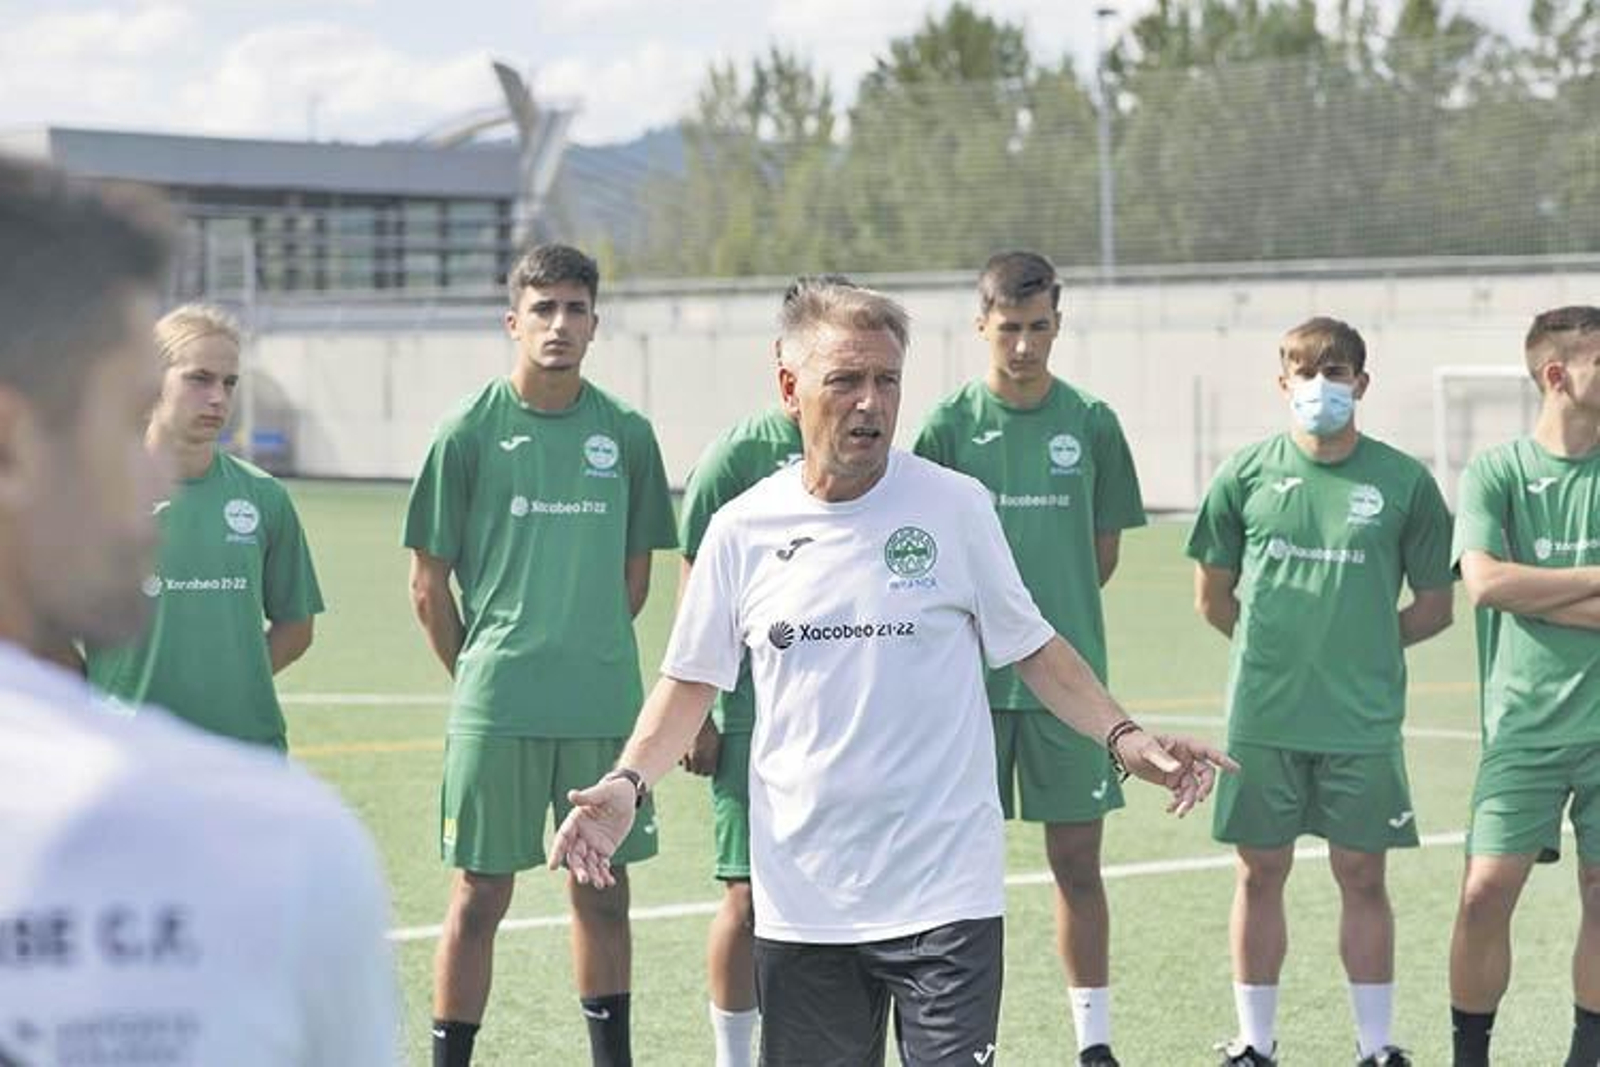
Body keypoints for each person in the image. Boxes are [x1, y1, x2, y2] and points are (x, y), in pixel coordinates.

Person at [552, 280, 1233, 1067]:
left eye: (887, 379)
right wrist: (627, 783)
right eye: (845, 380)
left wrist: (1125, 735)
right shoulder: (740, 529)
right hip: (805, 904)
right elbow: (688, 682)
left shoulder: (956, 507)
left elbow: (1034, 645)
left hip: (947, 896)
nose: (870, 403)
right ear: (790, 387)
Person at [0, 156, 398, 1064]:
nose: (151, 471)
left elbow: (293, 624)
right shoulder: (282, 848)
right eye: (126, 414)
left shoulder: (273, 835)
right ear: (15, 445)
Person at [405, 243, 677, 1067]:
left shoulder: (627, 434)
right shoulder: (467, 431)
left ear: (596, 323)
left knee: (602, 885)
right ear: (513, 320)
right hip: (499, 703)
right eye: (544, 308)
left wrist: (579, 643)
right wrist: (486, 671)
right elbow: (427, 586)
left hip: (600, 702)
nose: (559, 323)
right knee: (480, 891)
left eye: (575, 308)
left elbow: (634, 582)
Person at [1187, 317, 1454, 1067]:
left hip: (1362, 722)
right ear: (1282, 384)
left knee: (1364, 875)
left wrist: (1358, 645)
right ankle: (1254, 1043)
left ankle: (1376, 1047)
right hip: (1263, 716)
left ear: (1361, 385)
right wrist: (1282, 653)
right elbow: (1213, 597)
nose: (1319, 387)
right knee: (1258, 870)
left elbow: (1435, 606)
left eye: (1335, 374)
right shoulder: (1244, 474)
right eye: (1304, 373)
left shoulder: (1404, 481)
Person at [914, 251, 1146, 1067]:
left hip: (1065, 687)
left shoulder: (1091, 423)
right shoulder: (944, 427)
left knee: (1077, 861)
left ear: (1058, 322)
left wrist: (1049, 618)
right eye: (1007, 328)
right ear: (981, 326)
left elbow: (1102, 551)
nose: (1023, 345)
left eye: (1038, 327)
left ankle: (1094, 1044)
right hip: (962, 687)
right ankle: (956, 1043)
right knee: (952, 873)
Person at [678, 276, 842, 1067]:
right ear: (786, 360)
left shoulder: (876, 451)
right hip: (750, 711)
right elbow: (694, 584)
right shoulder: (734, 457)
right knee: (744, 896)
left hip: (842, 713)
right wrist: (699, 712)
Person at [1447, 306, 1600, 1067]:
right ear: (1557, 375)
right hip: (1522, 728)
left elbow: (1511, 582)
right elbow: (1483, 582)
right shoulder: (1497, 471)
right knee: (1483, 894)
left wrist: (1529, 586)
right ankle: (1470, 1055)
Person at [85, 303, 324, 749]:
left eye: (229, 383)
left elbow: (297, 626)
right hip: (126, 754)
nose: (218, 398)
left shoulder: (264, 496)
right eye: (199, 379)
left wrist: (233, 684)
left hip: (245, 751)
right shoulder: (93, 497)